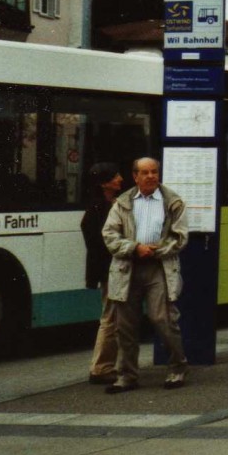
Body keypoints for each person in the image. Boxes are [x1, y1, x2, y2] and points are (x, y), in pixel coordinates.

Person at [101, 157, 189, 393]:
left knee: (163, 319)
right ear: (135, 176)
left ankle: (177, 368)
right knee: (125, 325)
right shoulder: (122, 202)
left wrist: (157, 249)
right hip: (127, 267)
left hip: (158, 266)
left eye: (154, 172)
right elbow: (109, 235)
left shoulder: (172, 202)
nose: (150, 176)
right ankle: (127, 376)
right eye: (145, 172)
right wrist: (134, 248)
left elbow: (180, 236)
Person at [81, 162, 123, 385]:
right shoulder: (99, 209)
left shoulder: (107, 205)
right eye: (115, 176)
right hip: (111, 269)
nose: (120, 179)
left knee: (113, 315)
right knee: (111, 316)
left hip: (111, 269)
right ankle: (101, 367)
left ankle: (109, 365)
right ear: (104, 183)